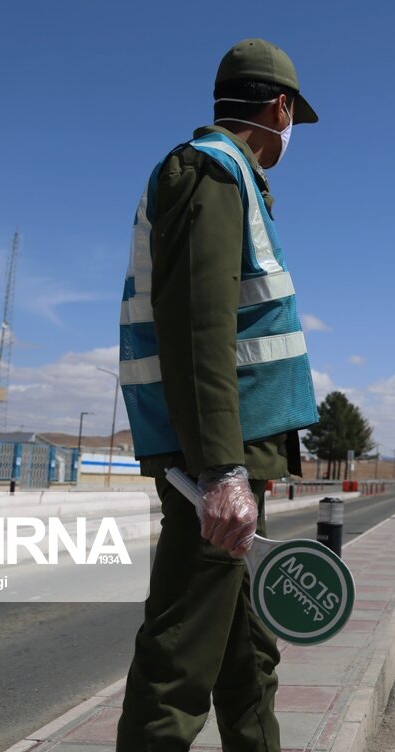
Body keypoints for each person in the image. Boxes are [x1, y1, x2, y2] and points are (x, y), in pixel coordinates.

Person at [116, 38, 321, 751]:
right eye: (293, 119)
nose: (290, 135)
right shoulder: (209, 172)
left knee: (247, 659)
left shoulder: (232, 180)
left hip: (235, 454)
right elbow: (200, 326)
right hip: (214, 458)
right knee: (179, 664)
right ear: (280, 107)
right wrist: (220, 470)